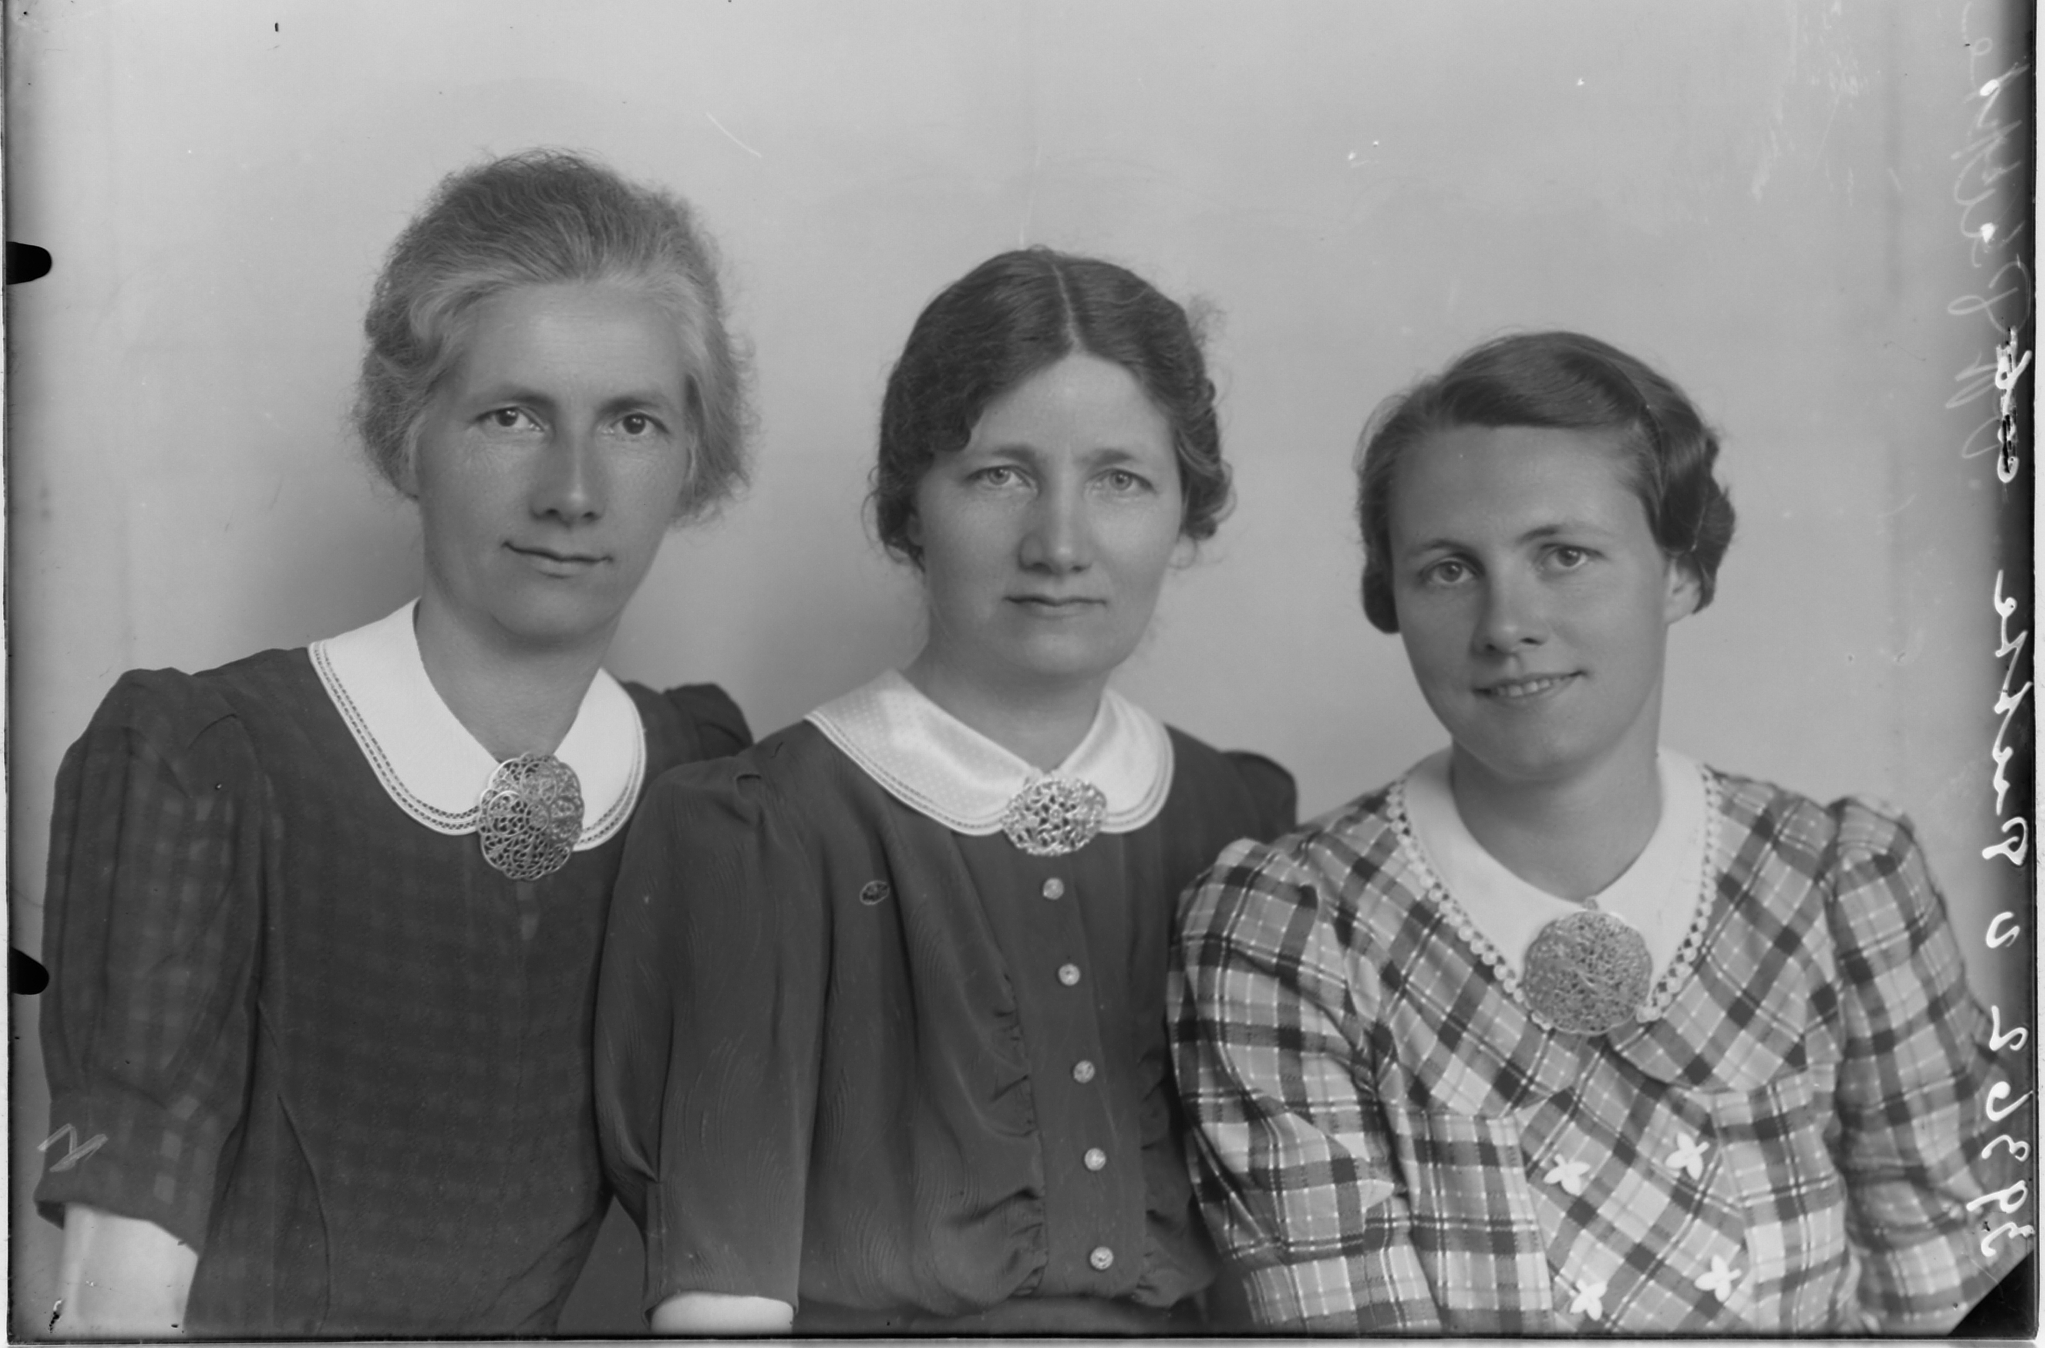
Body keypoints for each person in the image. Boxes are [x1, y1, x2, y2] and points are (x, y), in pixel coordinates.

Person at [1173, 331, 2030, 1334]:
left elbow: (1951, 1285)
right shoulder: (1288, 930)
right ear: (1391, 598)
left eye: (1564, 555)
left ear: (1679, 571)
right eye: (1447, 570)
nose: (1506, 623)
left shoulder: (1842, 883)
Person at [34, 149, 755, 1337]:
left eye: (633, 422)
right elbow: (119, 1290)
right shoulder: (207, 761)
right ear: (406, 431)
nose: (574, 491)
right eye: (512, 416)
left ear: (691, 459)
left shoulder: (703, 775)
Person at [596, 248, 1296, 1335]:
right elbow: (719, 1307)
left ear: (1184, 510)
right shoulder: (764, 830)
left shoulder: (1232, 823)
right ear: (910, 505)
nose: (1058, 544)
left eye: (1119, 479)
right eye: (999, 475)